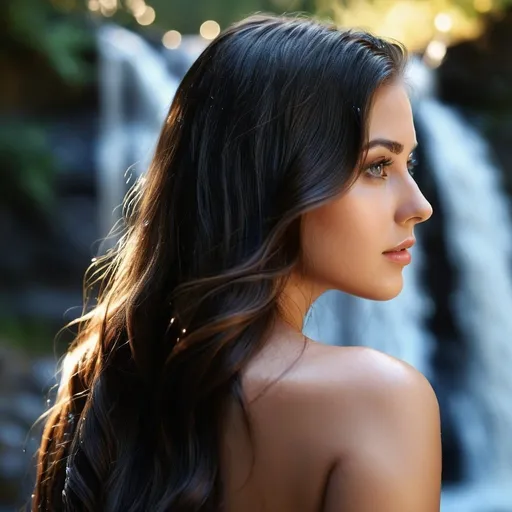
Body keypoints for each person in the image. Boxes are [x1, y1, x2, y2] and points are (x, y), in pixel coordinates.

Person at [32, 13, 440, 512]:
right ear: (272, 176)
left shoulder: (101, 392)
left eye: (408, 164)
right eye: (377, 166)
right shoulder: (381, 403)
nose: (419, 205)